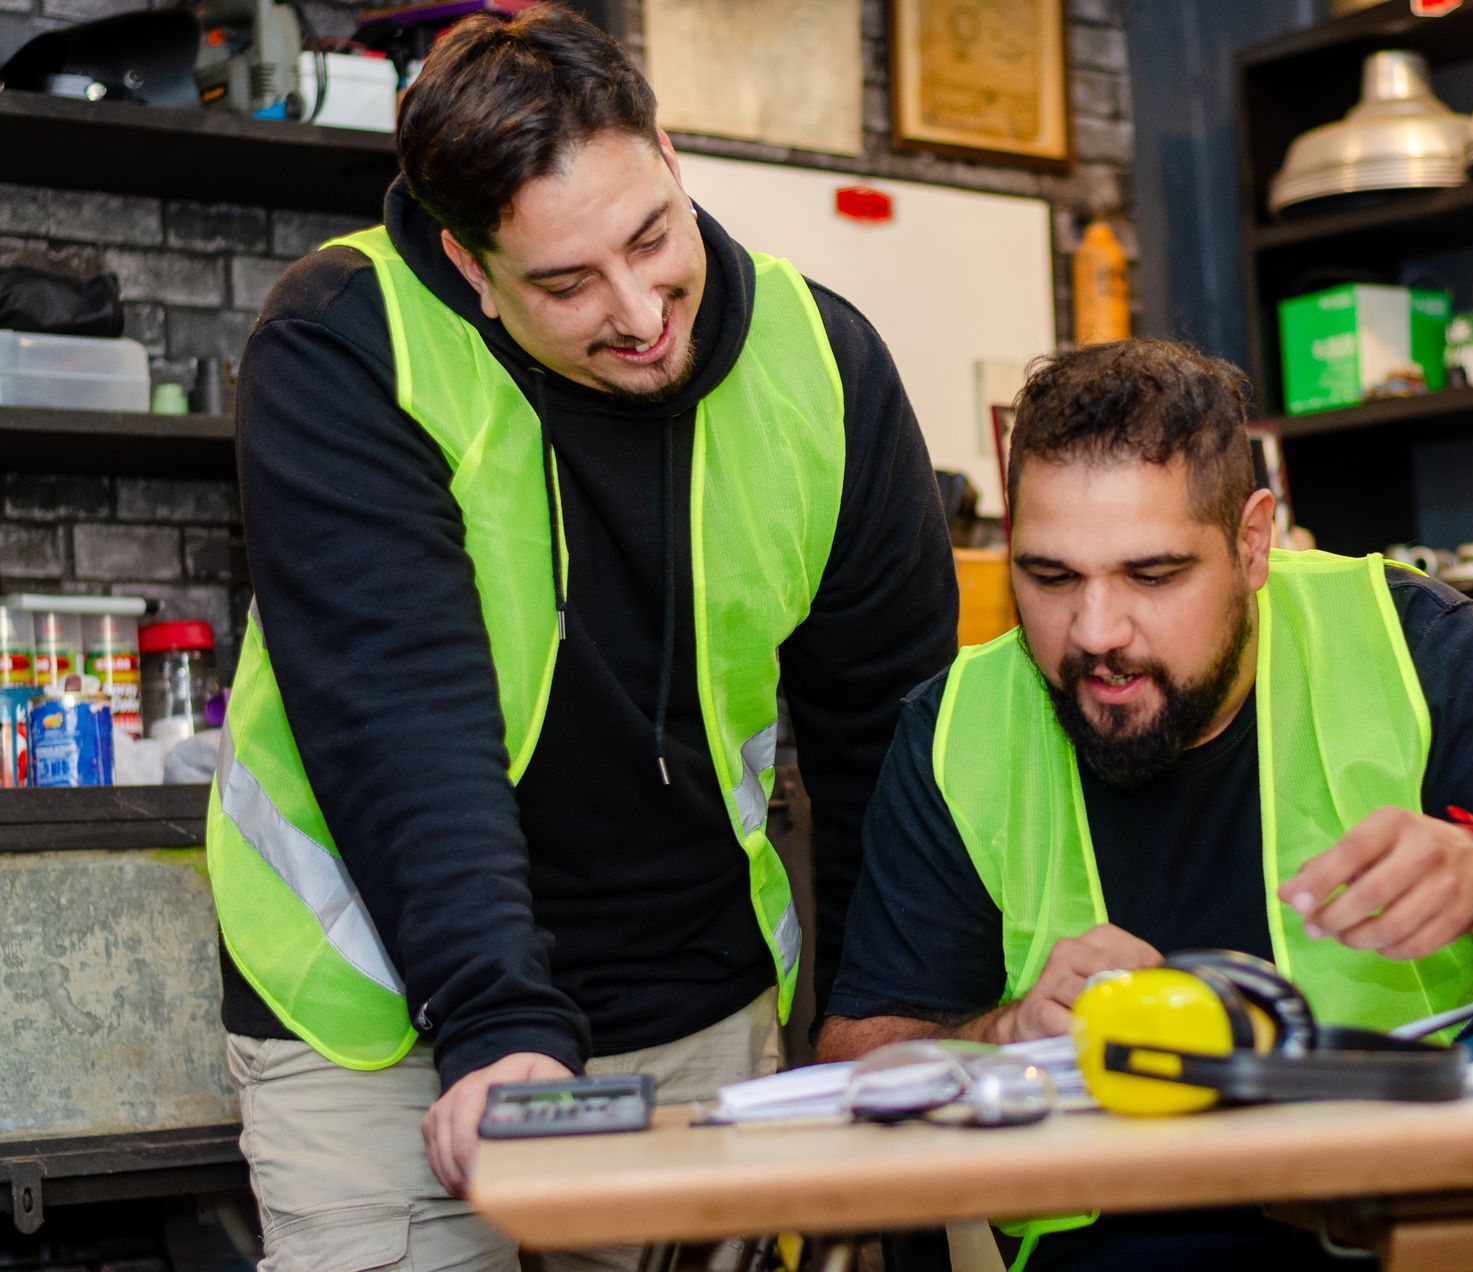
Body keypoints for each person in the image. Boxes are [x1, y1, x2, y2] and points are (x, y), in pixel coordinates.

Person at [209, 6, 957, 1265]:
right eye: (565, 283)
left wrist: (881, 1028)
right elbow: (405, 723)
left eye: (652, 236)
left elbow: (892, 742)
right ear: (468, 265)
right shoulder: (345, 341)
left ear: (668, 152)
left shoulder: (825, 363)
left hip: (699, 1001)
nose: (640, 311)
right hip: (394, 1017)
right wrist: (500, 1027)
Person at [817, 339, 1473, 1269]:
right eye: (1050, 577)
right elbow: (854, 1066)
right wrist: (1003, 1035)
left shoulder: (1427, 657)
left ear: (1252, 542)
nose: (1095, 633)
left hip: (1432, 1228)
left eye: (1152, 576)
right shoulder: (959, 725)